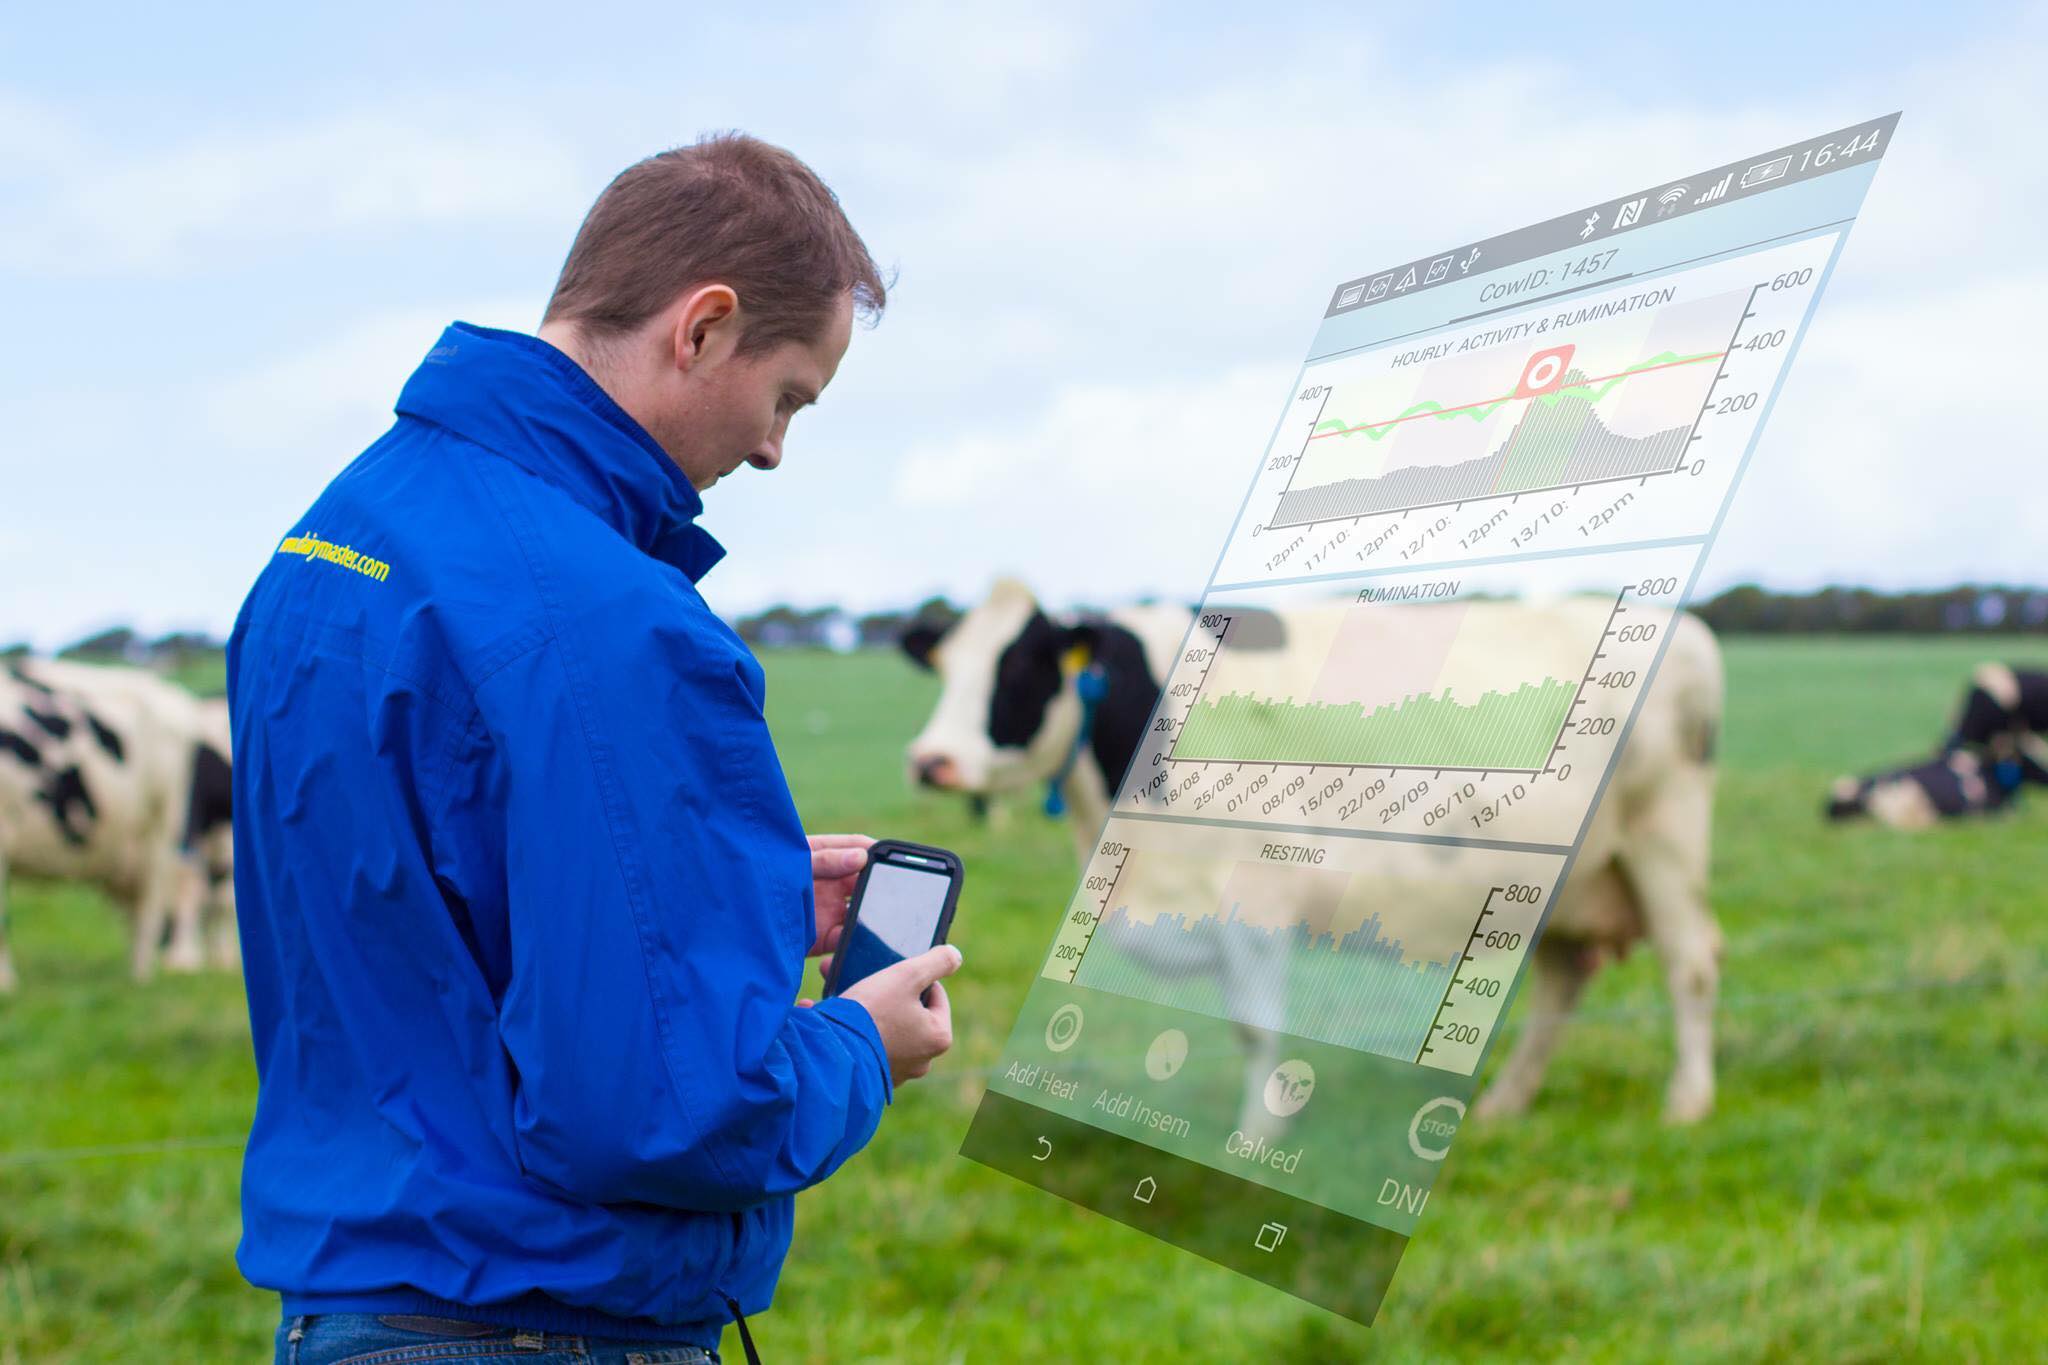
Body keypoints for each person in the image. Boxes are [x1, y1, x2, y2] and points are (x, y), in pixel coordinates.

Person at [227, 133, 961, 1365]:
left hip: (350, 1308)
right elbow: (668, 1109)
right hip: (535, 1322)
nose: (775, 448)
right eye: (787, 394)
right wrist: (858, 1049)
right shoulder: (616, 622)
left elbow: (436, 922)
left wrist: (743, 910)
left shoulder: (326, 547)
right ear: (703, 326)